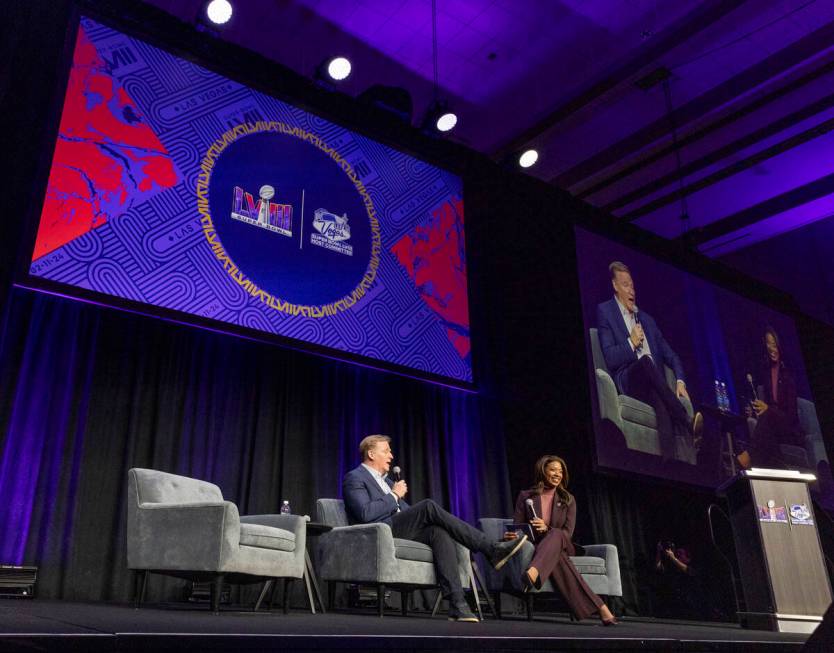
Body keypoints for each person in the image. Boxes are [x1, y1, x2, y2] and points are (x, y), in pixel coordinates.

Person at [342, 434, 528, 622]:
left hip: (399, 530)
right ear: (371, 454)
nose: (391, 456)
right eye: (386, 451)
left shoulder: (388, 482)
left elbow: (407, 512)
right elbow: (365, 513)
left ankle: (457, 604)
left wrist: (394, 494)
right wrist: (393, 495)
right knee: (428, 507)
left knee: (438, 532)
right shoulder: (355, 477)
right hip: (378, 532)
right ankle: (491, 549)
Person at [596, 261, 703, 461]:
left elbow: (672, 356)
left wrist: (680, 381)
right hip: (629, 380)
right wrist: (631, 343)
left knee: (660, 399)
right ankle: (686, 422)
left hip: (653, 385)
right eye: (626, 285)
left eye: (633, 285)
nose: (631, 290)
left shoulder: (647, 321)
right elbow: (610, 358)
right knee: (646, 362)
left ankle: (668, 467)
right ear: (615, 286)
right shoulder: (605, 312)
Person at [505, 455, 617, 625]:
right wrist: (513, 535)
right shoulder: (526, 496)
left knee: (556, 534)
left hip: (563, 543)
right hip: (539, 546)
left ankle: (535, 570)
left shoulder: (568, 499)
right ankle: (601, 608)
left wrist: (547, 529)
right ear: (543, 471)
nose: (558, 474)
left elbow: (567, 533)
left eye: (561, 471)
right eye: (553, 470)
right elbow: (518, 526)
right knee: (559, 560)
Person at [737, 326, 801, 469]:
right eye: (768, 344)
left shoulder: (788, 375)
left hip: (788, 428)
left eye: (774, 344)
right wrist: (754, 410)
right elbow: (767, 404)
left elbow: (791, 416)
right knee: (767, 438)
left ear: (780, 345)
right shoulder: (766, 373)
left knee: (766, 417)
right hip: (772, 426)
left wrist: (768, 410)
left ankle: (746, 456)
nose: (772, 349)